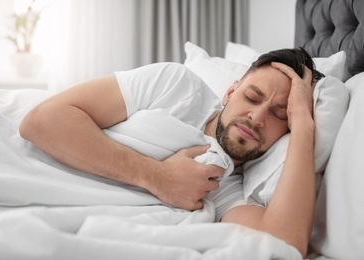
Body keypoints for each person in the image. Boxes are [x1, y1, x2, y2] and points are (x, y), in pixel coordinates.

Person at [19, 48, 319, 257]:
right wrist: (156, 176)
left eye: (281, 114)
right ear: (230, 92)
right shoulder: (177, 86)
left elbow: (283, 244)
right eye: (252, 97)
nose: (256, 117)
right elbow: (42, 120)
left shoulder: (223, 186)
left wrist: (304, 126)